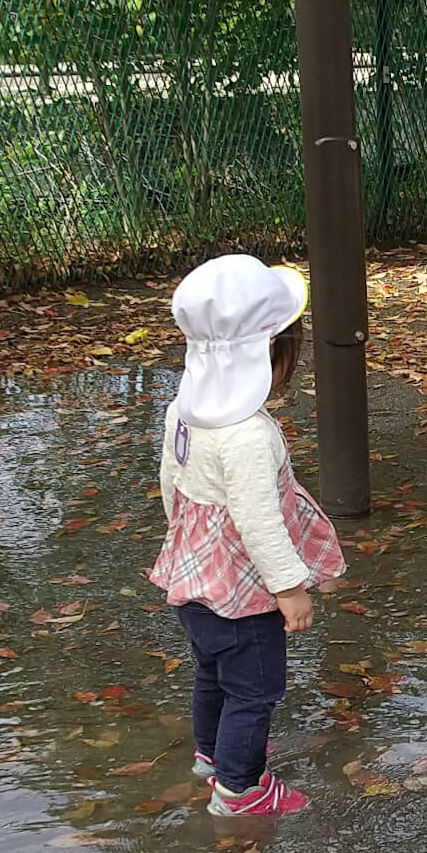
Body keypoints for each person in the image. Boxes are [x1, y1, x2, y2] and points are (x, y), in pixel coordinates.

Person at [150, 254, 345, 817]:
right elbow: (260, 521)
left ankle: (212, 755)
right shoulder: (248, 436)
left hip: (197, 580)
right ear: (271, 356)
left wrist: (184, 547)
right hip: (244, 597)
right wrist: (290, 588)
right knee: (255, 689)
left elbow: (172, 484)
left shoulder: (183, 411)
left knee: (213, 672)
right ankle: (241, 789)